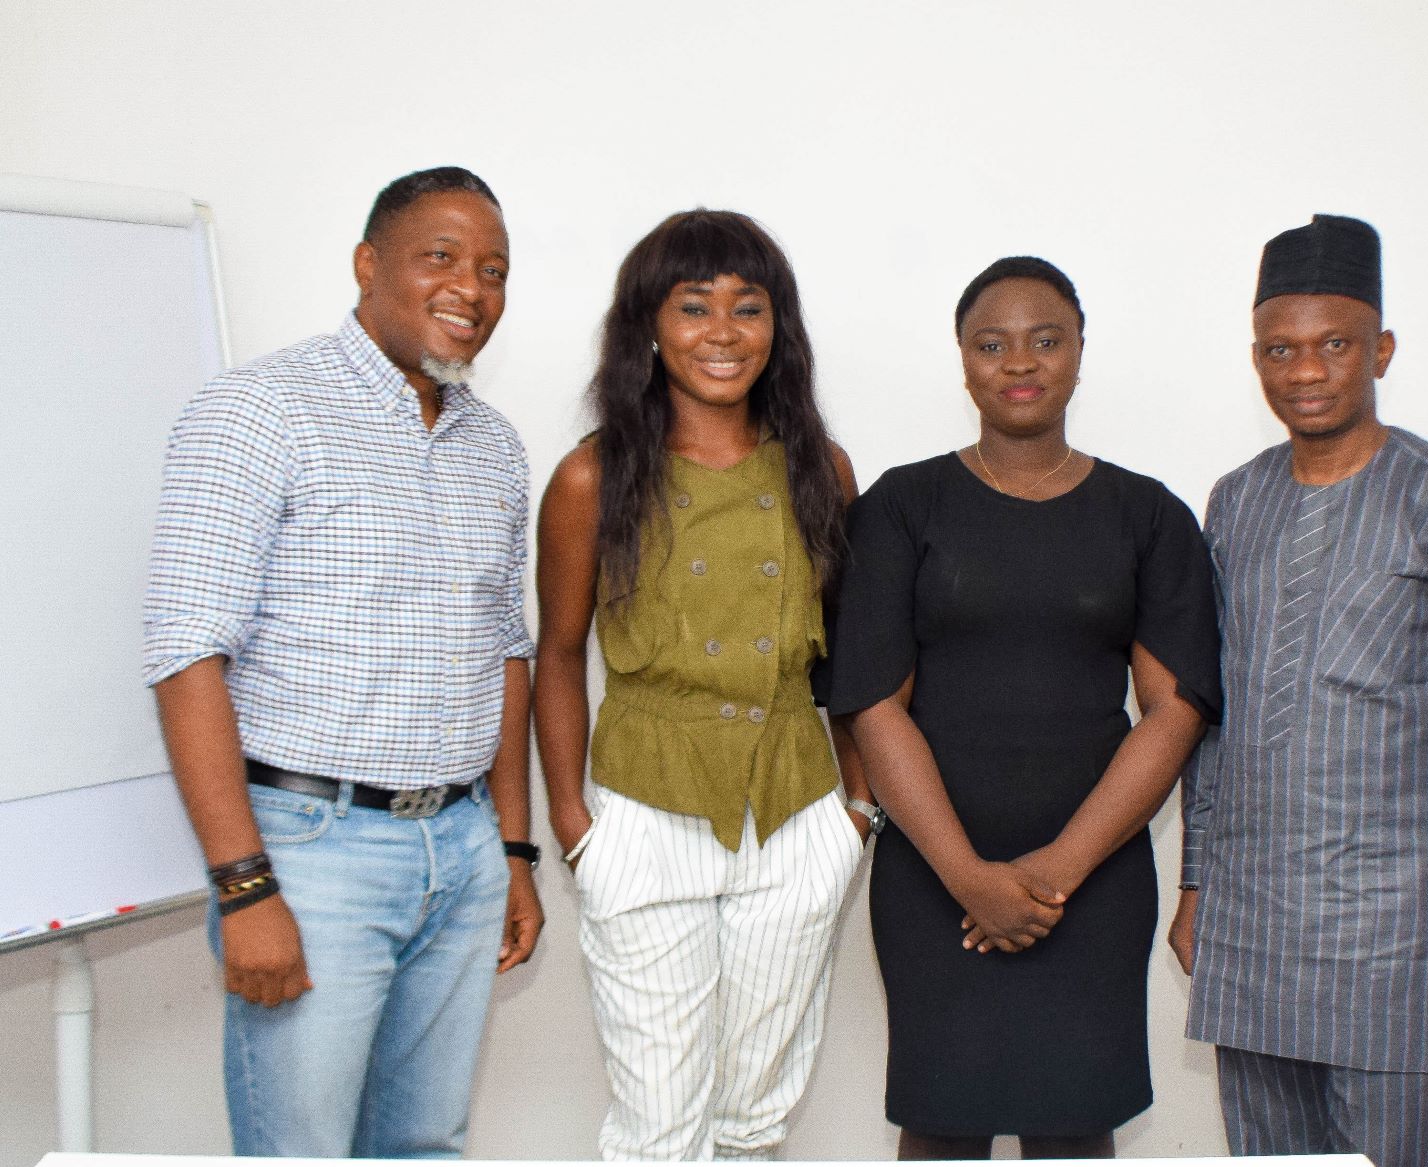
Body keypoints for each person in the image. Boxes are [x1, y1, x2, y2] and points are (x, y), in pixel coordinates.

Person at [143, 166, 543, 1157]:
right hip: (311, 851)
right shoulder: (260, 410)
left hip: (460, 848)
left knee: (424, 1148)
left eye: (493, 269)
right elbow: (187, 655)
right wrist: (246, 887)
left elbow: (506, 653)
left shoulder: (494, 446)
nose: (471, 289)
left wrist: (513, 852)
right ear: (369, 265)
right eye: (440, 257)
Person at [1168, 214, 1428, 1167]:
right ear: (1255, 358)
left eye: (1333, 344)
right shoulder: (1236, 498)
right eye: (1279, 349)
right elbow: (1211, 714)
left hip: (1385, 936)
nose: (1305, 371)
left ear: (1379, 348)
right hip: (1247, 923)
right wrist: (1196, 882)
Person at [825, 257, 1221, 1159]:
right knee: (940, 1123)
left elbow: (1172, 709)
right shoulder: (901, 506)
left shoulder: (1147, 515)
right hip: (933, 871)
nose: (1020, 362)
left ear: (1080, 353)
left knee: (1074, 1126)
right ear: (961, 362)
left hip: (1094, 876)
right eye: (991, 343)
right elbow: (873, 704)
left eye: (1046, 339)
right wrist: (969, 875)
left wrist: (1054, 874)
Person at [533, 209, 869, 1161]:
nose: (722, 332)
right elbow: (558, 652)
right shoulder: (592, 476)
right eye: (693, 306)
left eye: (747, 308)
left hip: (795, 812)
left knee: (755, 1118)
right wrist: (573, 824)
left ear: (778, 329)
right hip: (645, 812)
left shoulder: (820, 467)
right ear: (648, 323)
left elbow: (848, 652)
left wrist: (857, 811)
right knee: (658, 1128)